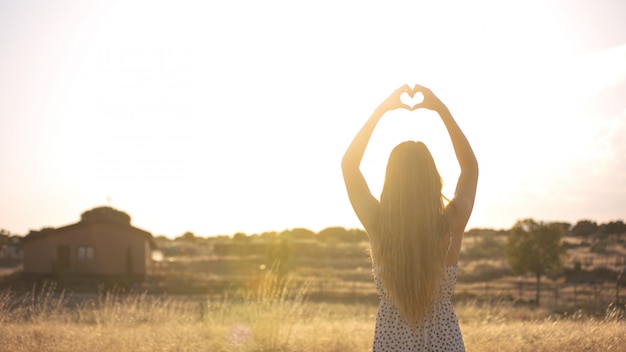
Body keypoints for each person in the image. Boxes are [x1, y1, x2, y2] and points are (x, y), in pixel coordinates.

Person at [342, 84, 478, 351]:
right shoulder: (452, 222)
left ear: (390, 181)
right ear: (432, 180)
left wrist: (380, 110)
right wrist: (441, 109)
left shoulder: (378, 224)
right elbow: (470, 167)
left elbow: (349, 165)